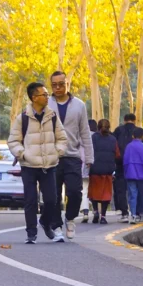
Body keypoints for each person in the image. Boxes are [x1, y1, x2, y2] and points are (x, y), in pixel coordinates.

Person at [8, 81, 67, 243]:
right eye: (44, 94)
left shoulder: (52, 116)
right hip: (29, 165)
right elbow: (13, 141)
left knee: (51, 200)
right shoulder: (23, 118)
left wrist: (57, 152)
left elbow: (62, 138)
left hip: (49, 165)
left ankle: (45, 222)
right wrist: (22, 154)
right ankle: (31, 233)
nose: (48, 97)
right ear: (34, 98)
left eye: (47, 94)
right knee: (30, 200)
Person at [48, 70, 93, 238]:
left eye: (61, 84)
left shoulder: (79, 105)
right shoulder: (46, 104)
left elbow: (85, 133)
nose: (58, 88)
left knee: (75, 192)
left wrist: (89, 157)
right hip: (51, 157)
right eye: (54, 85)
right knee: (52, 195)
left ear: (68, 84)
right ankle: (57, 226)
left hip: (73, 156)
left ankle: (70, 218)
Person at [87, 118, 118, 224]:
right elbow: (117, 154)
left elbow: (89, 151)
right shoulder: (113, 139)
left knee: (94, 193)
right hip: (108, 171)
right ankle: (103, 216)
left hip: (95, 169)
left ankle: (95, 211)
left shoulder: (93, 138)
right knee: (106, 194)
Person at [123, 129, 143, 222]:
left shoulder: (128, 147)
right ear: (142, 136)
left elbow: (125, 161)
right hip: (142, 174)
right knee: (142, 194)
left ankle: (133, 214)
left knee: (132, 194)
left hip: (130, 173)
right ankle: (141, 214)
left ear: (133, 135)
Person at [112, 112, 139, 219]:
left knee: (121, 188)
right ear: (135, 120)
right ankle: (135, 211)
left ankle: (124, 212)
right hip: (134, 163)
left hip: (120, 162)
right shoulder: (138, 131)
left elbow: (114, 144)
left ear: (124, 120)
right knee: (134, 187)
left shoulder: (118, 130)